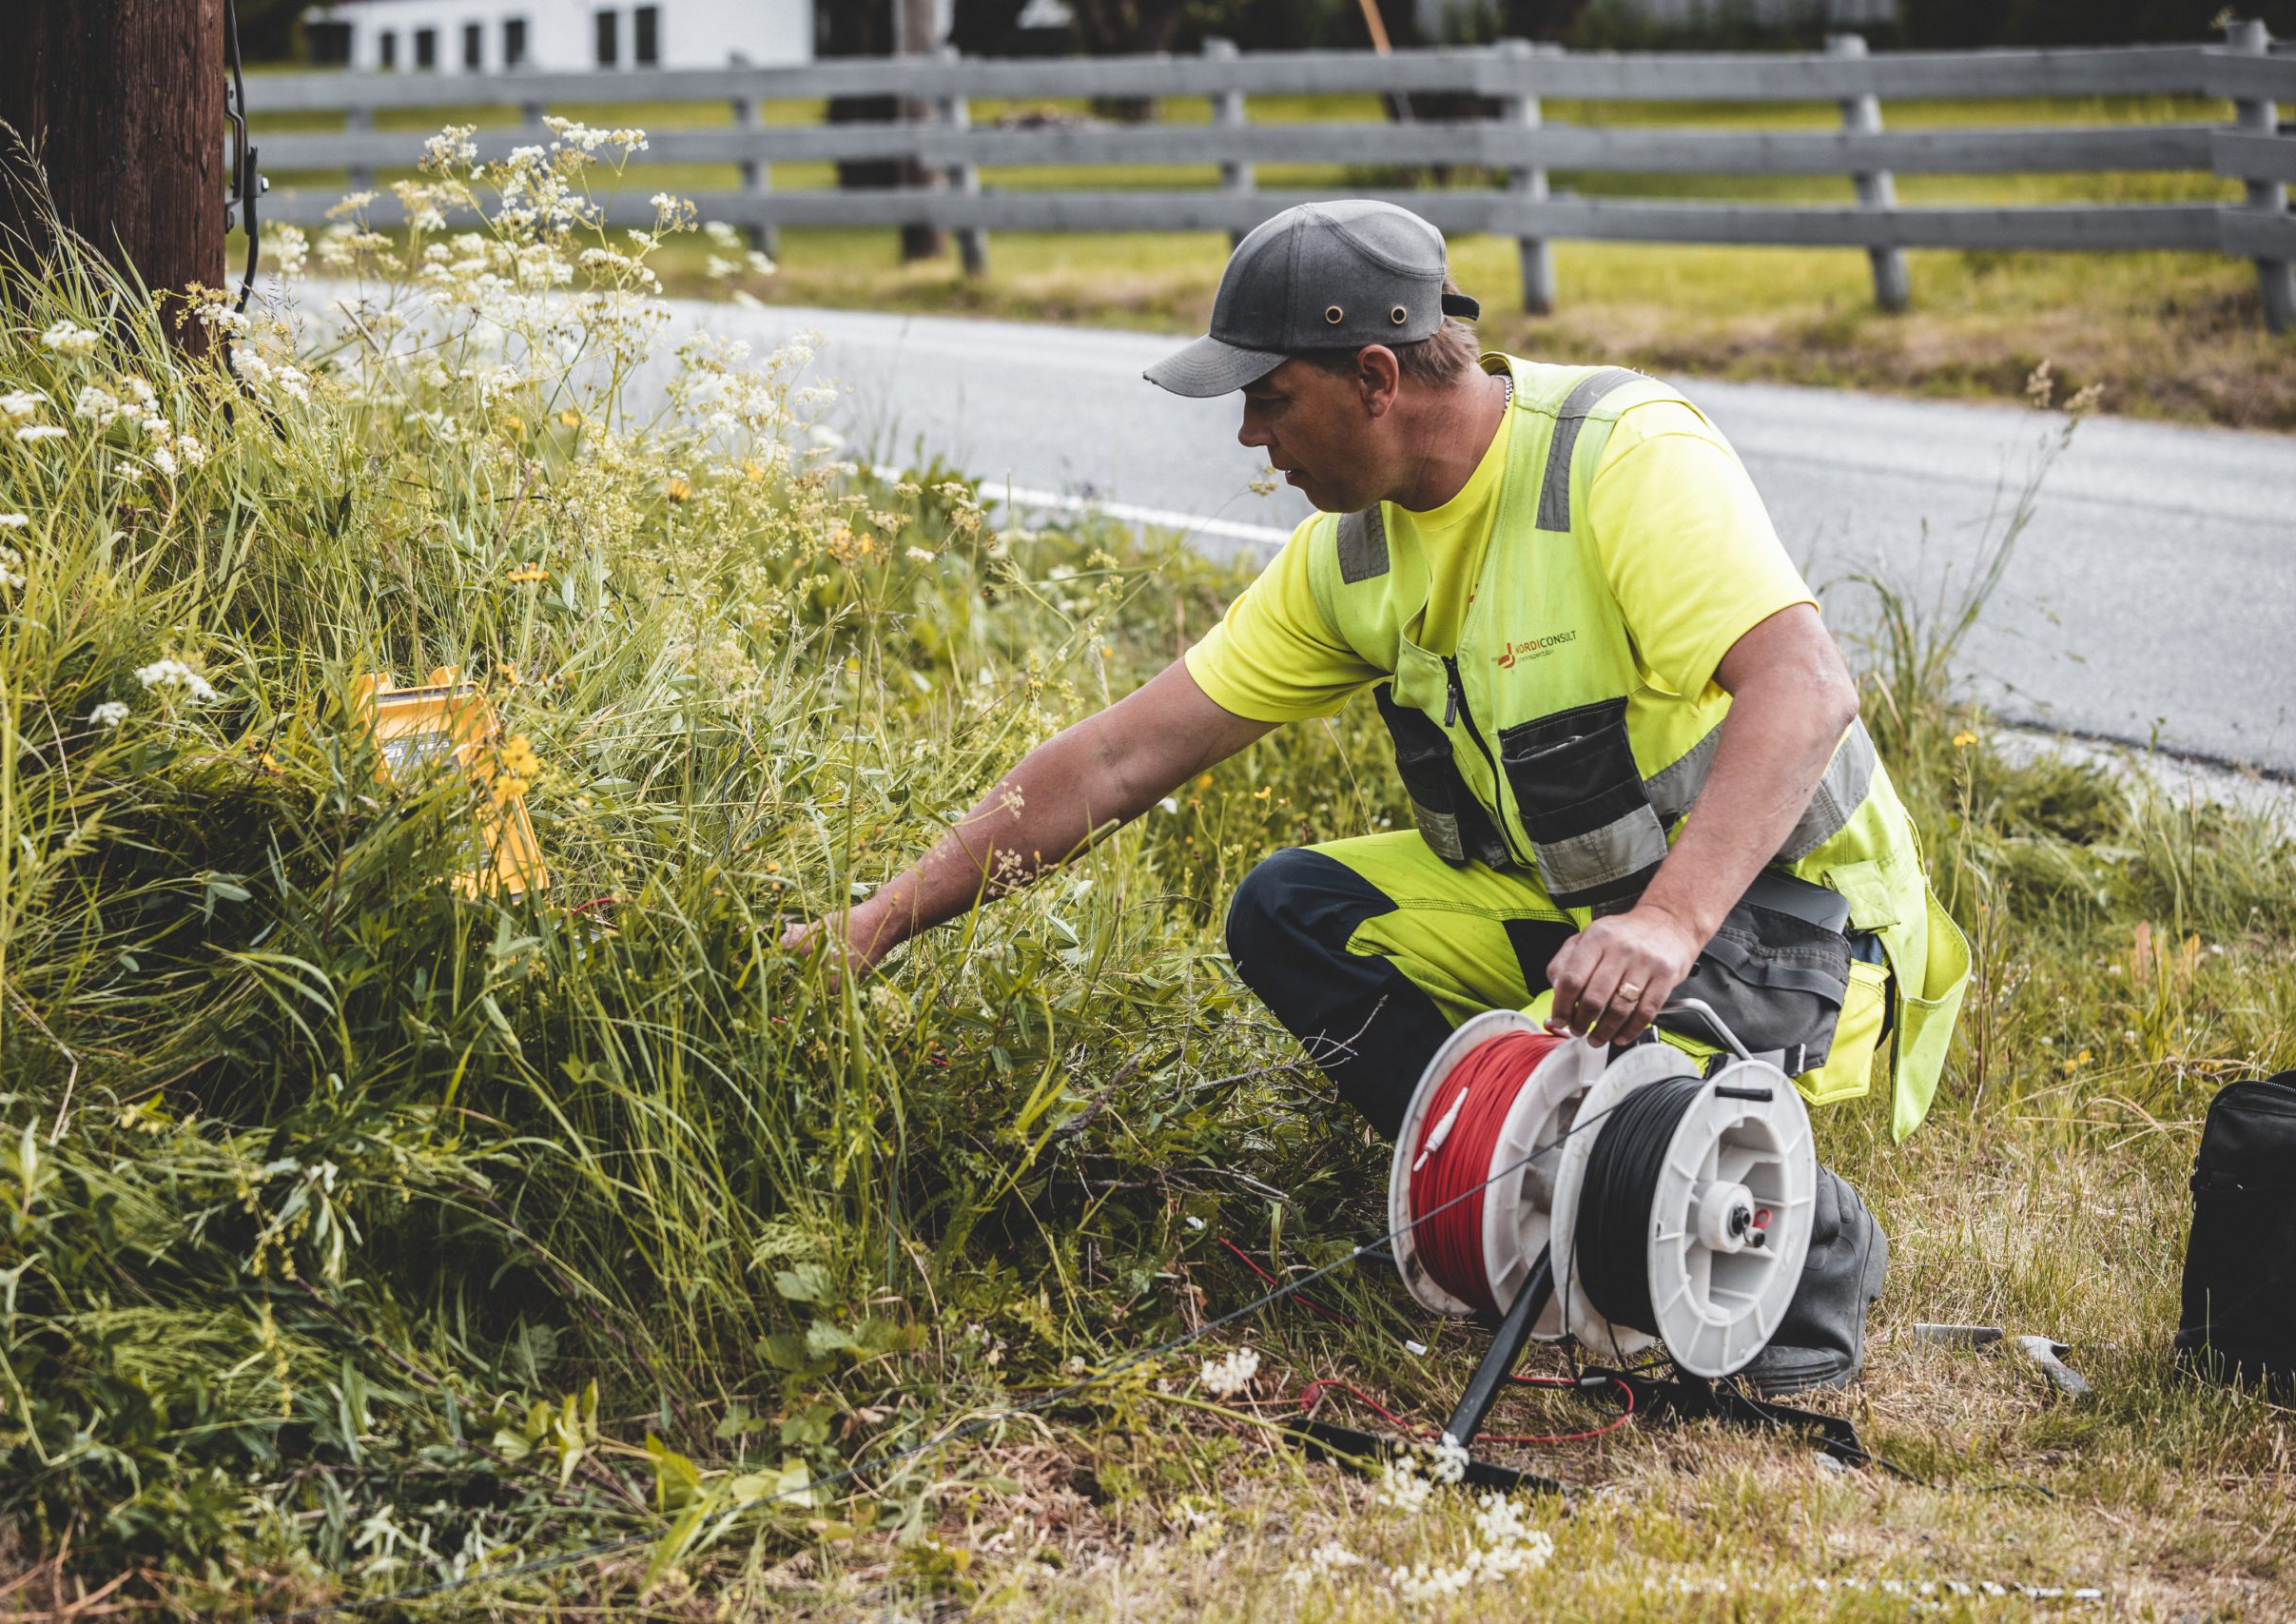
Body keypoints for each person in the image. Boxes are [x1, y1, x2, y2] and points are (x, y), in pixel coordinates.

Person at [785, 200, 1972, 1395]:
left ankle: (1809, 1252)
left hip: (1785, 920)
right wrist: (871, 926)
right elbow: (1112, 763)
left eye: (1267, 397)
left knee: (1649, 1120)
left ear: (1372, 376)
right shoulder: (1351, 554)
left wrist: (1665, 922)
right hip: (1572, 918)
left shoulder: (1619, 457)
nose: (1249, 436)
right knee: (1288, 910)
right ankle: (1531, 1213)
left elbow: (1806, 689)